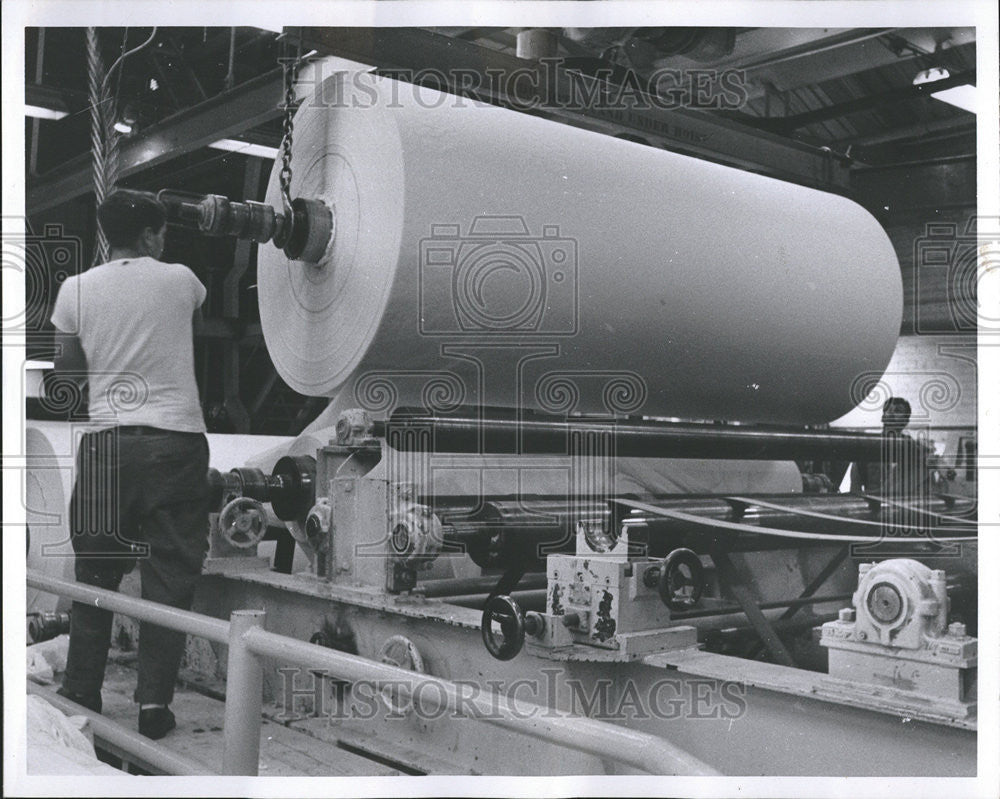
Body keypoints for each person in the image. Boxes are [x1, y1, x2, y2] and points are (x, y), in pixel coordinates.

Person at [51, 189, 209, 740]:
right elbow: (191, 318)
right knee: (167, 576)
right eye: (160, 232)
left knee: (95, 570)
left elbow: (66, 378)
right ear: (148, 235)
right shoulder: (181, 280)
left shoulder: (74, 291)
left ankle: (81, 689)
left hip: (105, 446)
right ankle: (153, 708)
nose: (164, 241)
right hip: (175, 442)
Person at [851, 396, 933, 499]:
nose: (891, 413)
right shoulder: (868, 447)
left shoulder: (916, 451)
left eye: (897, 411)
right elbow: (855, 488)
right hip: (873, 509)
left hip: (904, 509)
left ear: (906, 421)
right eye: (888, 410)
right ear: (883, 417)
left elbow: (924, 489)